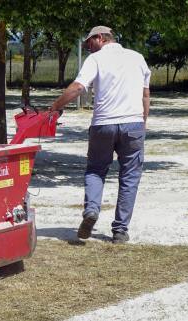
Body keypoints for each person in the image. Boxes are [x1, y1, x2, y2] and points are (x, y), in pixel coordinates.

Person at [48, 26, 151, 244]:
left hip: (103, 125)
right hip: (133, 124)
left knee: (95, 170)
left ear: (100, 38)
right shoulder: (138, 58)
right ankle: (120, 231)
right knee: (130, 177)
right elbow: (145, 95)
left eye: (89, 43)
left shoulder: (96, 59)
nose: (88, 48)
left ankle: (92, 210)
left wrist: (55, 106)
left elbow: (78, 87)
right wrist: (143, 123)